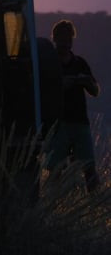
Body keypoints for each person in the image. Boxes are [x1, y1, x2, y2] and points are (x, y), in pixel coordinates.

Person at [47, 20, 101, 192]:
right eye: (63, 39)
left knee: (89, 168)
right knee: (56, 170)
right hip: (58, 125)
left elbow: (95, 91)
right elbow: (44, 89)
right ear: (55, 39)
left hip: (80, 123)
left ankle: (94, 203)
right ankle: (55, 205)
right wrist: (62, 84)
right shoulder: (50, 63)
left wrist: (85, 82)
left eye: (69, 39)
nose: (66, 43)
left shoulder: (80, 63)